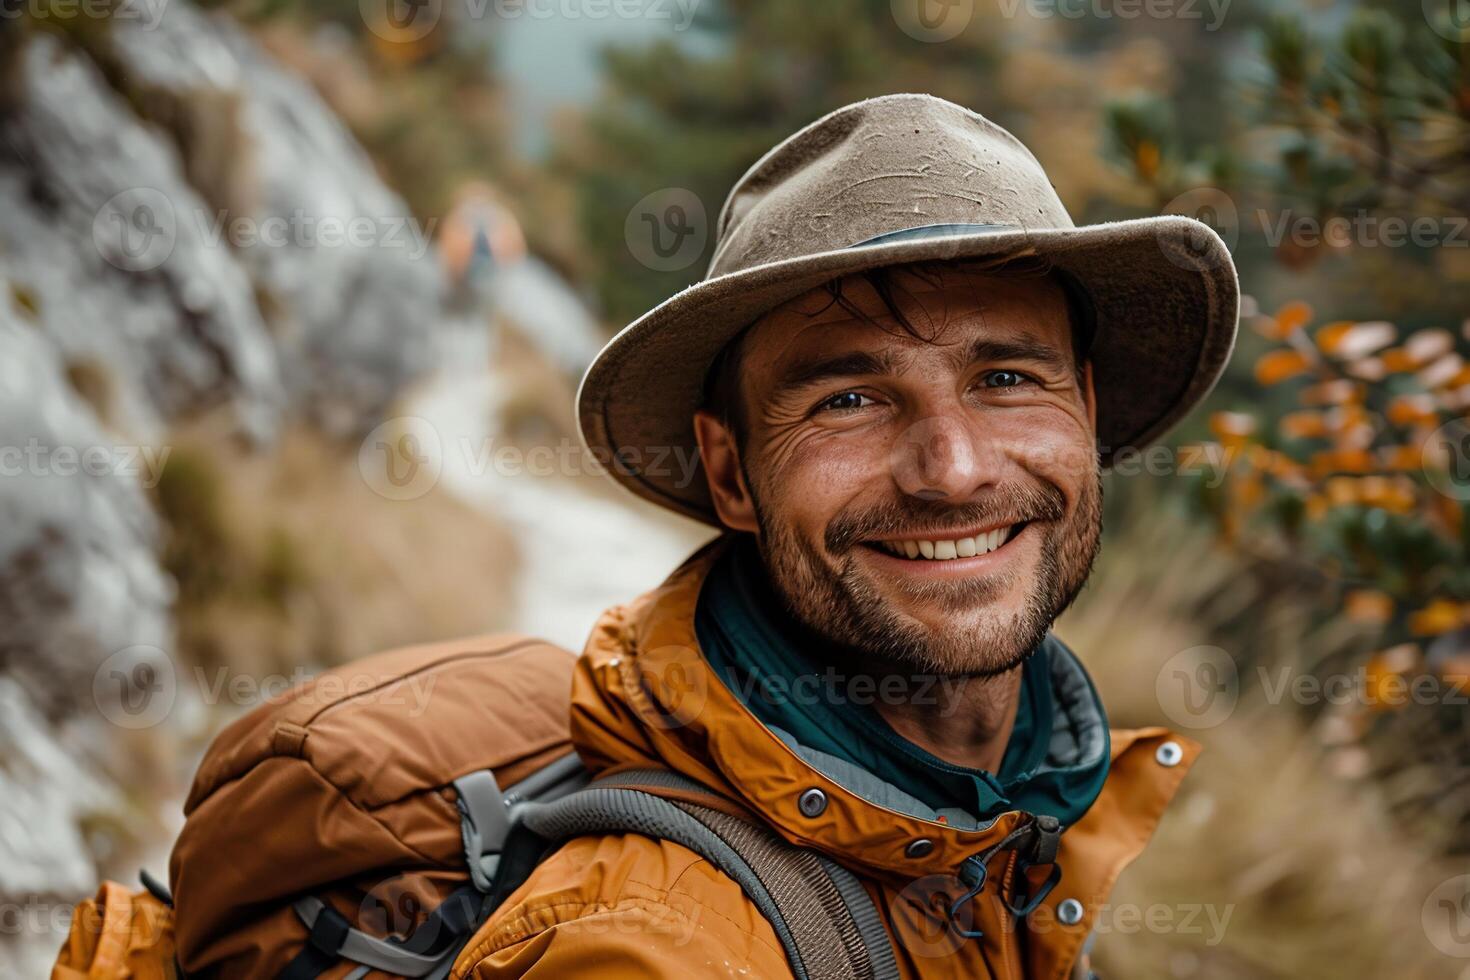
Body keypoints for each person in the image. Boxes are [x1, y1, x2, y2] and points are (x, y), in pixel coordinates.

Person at [455, 93, 1239, 979]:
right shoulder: (646, 949)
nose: (953, 470)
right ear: (729, 471)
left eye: (1008, 377)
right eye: (849, 400)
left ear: (1085, 410)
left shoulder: (1025, 811)